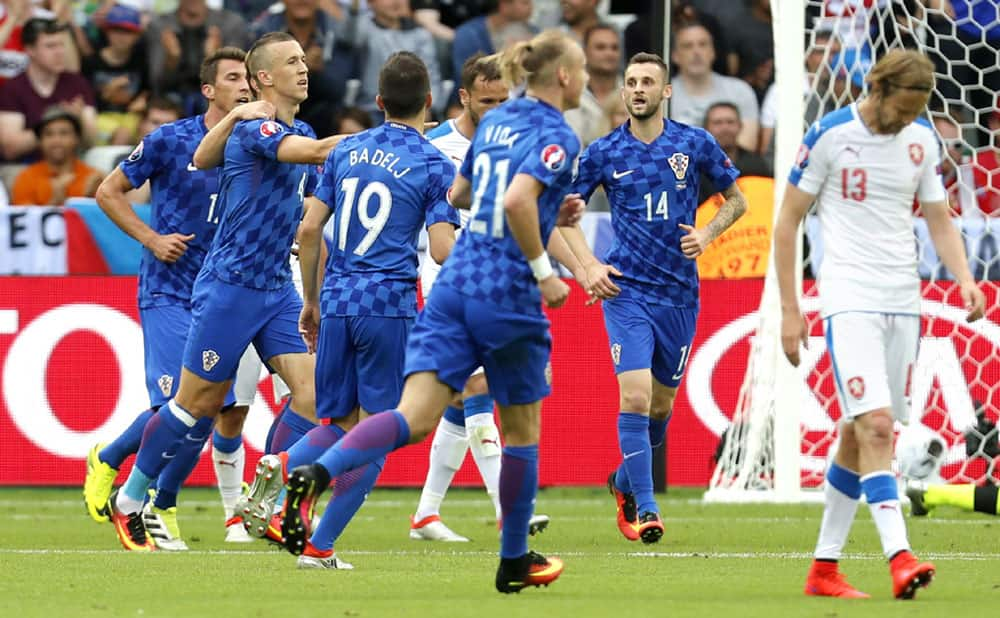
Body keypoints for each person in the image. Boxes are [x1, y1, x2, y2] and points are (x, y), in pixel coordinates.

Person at [275, 29, 612, 592]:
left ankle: (315, 471)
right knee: (523, 428)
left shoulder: (497, 124)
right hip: (503, 289)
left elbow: (462, 194)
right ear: (564, 76)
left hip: (451, 286)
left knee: (412, 418)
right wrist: (544, 273)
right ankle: (512, 559)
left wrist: (552, 201)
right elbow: (515, 200)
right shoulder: (556, 132)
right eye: (581, 70)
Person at [105, 31, 340, 551]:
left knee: (311, 392)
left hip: (275, 286)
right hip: (230, 288)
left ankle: (268, 498)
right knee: (194, 405)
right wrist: (383, 138)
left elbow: (294, 179)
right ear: (263, 78)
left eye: (304, 60)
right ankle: (130, 497)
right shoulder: (260, 127)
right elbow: (317, 150)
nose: (305, 69)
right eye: (292, 62)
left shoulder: (293, 125)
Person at [775, 49, 986, 599]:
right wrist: (791, 309)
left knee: (856, 431)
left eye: (916, 110)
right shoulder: (828, 134)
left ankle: (823, 570)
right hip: (849, 300)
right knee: (876, 427)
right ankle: (900, 556)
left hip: (904, 301)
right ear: (878, 88)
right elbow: (788, 221)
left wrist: (963, 277)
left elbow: (939, 219)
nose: (904, 120)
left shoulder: (920, 139)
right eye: (901, 108)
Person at [268, 51, 461, 568]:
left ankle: (278, 469)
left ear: (377, 103)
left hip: (336, 299)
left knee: (336, 423)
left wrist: (311, 299)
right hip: (389, 304)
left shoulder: (345, 151)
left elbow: (309, 229)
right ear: (428, 103)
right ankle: (318, 544)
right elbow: (442, 249)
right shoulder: (434, 164)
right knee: (377, 433)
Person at [84, 47, 276, 550]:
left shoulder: (259, 144)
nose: (245, 86)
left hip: (228, 291)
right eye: (233, 78)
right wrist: (150, 239)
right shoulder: (170, 141)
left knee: (208, 406)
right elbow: (108, 191)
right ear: (210, 90)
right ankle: (121, 475)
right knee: (177, 403)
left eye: (248, 79)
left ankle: (149, 495)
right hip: (170, 288)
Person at [571, 52, 746, 544]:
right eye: (631, 82)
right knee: (635, 395)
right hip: (625, 291)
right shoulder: (603, 151)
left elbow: (738, 200)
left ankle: (623, 484)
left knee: (660, 410)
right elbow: (563, 214)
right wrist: (589, 265)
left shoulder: (694, 143)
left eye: (648, 81)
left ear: (666, 91)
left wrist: (708, 233)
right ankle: (647, 508)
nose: (639, 89)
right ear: (623, 92)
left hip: (679, 295)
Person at [410, 52, 548, 543]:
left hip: (501, 280)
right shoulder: (433, 145)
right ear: (464, 96)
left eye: (502, 101)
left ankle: (426, 513)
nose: (495, 110)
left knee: (462, 396)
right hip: (446, 279)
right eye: (485, 101)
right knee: (477, 390)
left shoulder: (515, 146)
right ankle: (509, 508)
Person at [0, 17, 96, 161]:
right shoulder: (12, 88)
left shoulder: (77, 83)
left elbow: (91, 142)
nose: (59, 52)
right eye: (50, 46)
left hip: (71, 166)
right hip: (25, 168)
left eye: (61, 45)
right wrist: (56, 121)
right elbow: (10, 148)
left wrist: (79, 120)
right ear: (30, 50)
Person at [668, 21, 758, 152]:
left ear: (713, 52)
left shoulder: (740, 91)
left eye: (703, 44)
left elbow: (745, 147)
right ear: (675, 56)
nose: (696, 52)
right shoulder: (662, 95)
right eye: (688, 46)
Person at [11, 106, 102, 205]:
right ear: (40, 141)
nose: (56, 141)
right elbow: (23, 219)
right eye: (49, 134)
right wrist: (55, 201)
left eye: (64, 133)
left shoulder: (92, 177)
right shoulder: (26, 178)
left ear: (77, 138)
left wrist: (91, 199)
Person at [698, 101, 770, 203]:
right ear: (705, 128)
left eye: (730, 122)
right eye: (718, 122)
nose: (725, 128)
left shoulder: (756, 165)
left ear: (740, 126)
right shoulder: (695, 168)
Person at [564, 23, 622, 149]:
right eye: (601, 47)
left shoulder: (631, 93)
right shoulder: (571, 93)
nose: (609, 53)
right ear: (584, 53)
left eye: (614, 48)